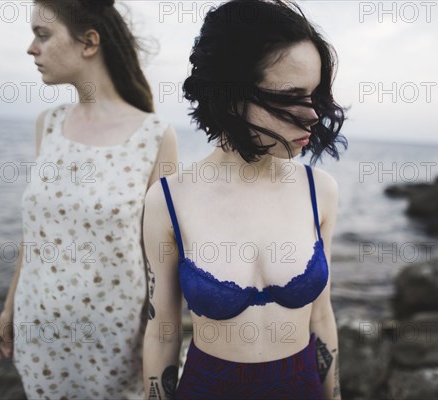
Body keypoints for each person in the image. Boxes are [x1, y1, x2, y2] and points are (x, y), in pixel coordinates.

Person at [142, 1, 346, 399]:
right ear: (230, 93)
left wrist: (334, 395)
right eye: (291, 96)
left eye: (315, 95)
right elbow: (162, 331)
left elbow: (321, 317)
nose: (313, 115)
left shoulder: (319, 191)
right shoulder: (169, 198)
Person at [0, 0, 178, 398]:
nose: (31, 48)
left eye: (42, 34)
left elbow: (163, 257)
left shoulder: (155, 135)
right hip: (38, 334)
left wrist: (160, 348)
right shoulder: (50, 124)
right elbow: (35, 234)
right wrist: (9, 309)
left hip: (114, 345)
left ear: (89, 42)